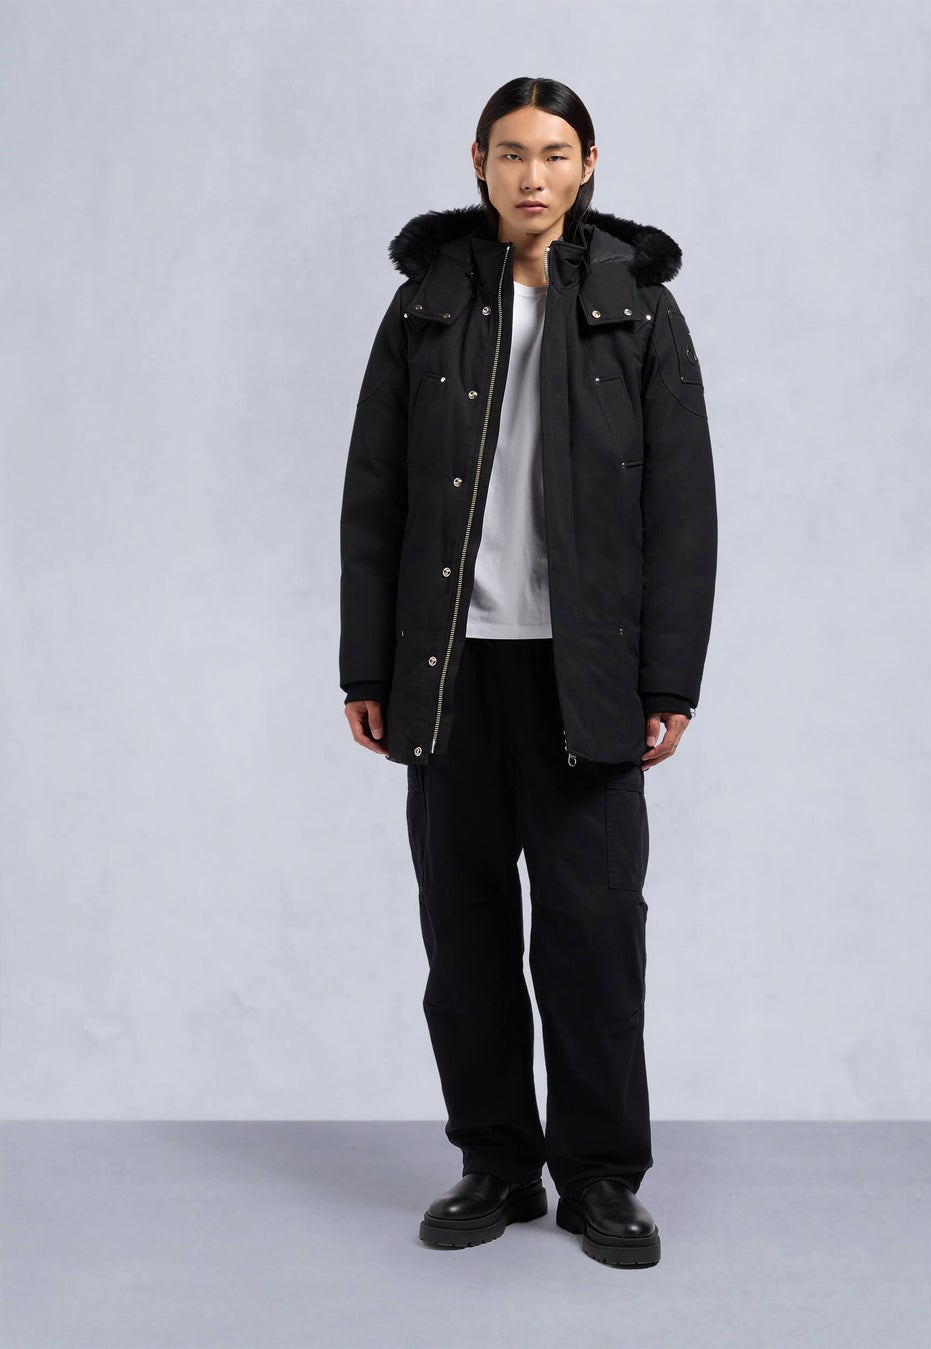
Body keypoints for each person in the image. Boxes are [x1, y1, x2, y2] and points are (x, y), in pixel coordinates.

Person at [339, 75, 717, 1269]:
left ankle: (601, 1175)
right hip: (449, 671)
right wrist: (366, 664)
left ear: (588, 163)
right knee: (464, 934)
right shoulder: (427, 302)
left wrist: (669, 678)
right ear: (479, 162)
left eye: (554, 153)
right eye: (511, 152)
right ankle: (496, 1163)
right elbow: (376, 494)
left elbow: (682, 509)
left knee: (594, 936)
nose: (532, 174)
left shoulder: (638, 307)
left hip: (585, 675)